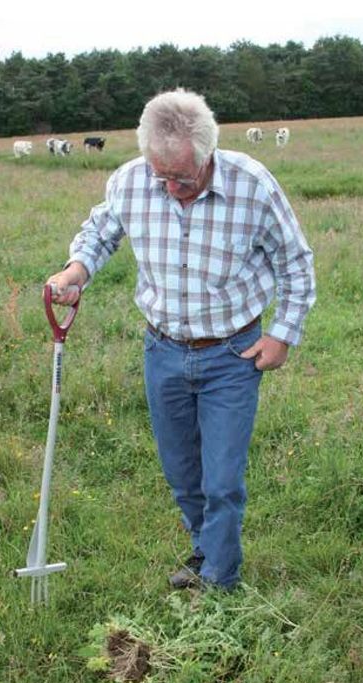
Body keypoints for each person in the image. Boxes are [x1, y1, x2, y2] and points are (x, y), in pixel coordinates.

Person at [46, 88, 315, 590]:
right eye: (162, 176)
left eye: (183, 178)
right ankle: (204, 549)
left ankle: (219, 581)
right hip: (163, 352)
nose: (171, 188)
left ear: (208, 154)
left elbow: (296, 262)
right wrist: (74, 272)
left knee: (222, 482)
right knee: (183, 475)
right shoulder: (129, 181)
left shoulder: (253, 185)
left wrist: (282, 335)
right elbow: (100, 234)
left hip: (233, 355)